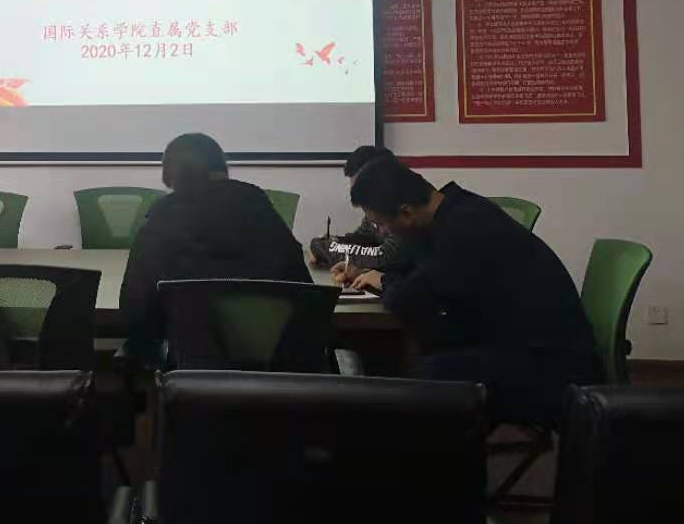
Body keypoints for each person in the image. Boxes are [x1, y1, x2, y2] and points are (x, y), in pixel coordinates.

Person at [335, 156, 602, 423]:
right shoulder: (455, 210)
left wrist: (384, 281)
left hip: (555, 370)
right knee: (424, 349)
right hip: (522, 346)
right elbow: (413, 275)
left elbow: (406, 300)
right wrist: (382, 277)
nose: (382, 233)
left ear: (406, 213)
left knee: (427, 374)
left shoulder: (463, 231)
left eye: (381, 224)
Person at [119, 133, 311, 363]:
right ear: (222, 169)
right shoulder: (258, 205)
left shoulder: (163, 216)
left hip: (191, 373)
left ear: (172, 176)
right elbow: (304, 290)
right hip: (281, 371)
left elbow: (135, 310)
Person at [308, 144, 397, 268]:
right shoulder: (373, 211)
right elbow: (362, 240)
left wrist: (324, 249)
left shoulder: (404, 212)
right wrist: (334, 241)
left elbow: (385, 258)